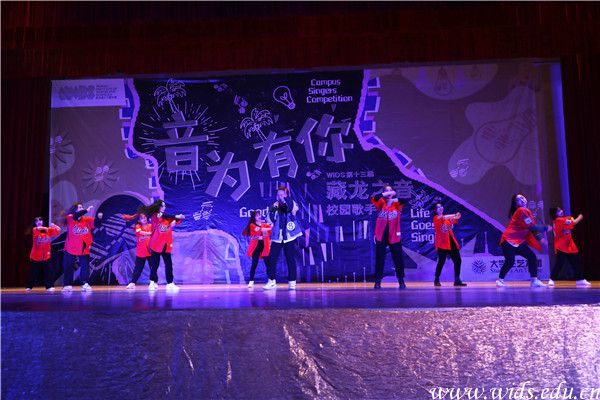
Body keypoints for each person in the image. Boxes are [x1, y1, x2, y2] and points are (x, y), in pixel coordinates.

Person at [496, 194, 548, 288]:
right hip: (509, 240)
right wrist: (546, 228)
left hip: (519, 241)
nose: (522, 199)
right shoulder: (521, 210)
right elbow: (531, 226)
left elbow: (532, 228)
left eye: (522, 197)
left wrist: (540, 239)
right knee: (510, 261)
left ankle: (534, 280)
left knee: (532, 257)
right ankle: (500, 280)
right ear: (516, 203)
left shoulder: (527, 212)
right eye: (519, 199)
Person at [138, 200, 184, 292]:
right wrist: (176, 216)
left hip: (166, 245)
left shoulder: (168, 218)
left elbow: (175, 220)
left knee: (169, 264)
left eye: (165, 206)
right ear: (158, 207)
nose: (164, 207)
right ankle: (152, 282)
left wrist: (179, 218)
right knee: (155, 265)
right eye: (162, 206)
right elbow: (165, 216)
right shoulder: (155, 216)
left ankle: (170, 283)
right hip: (156, 244)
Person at [264, 186, 302, 290]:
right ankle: (271, 280)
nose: (280, 196)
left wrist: (285, 201)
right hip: (277, 235)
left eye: (282, 194)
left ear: (286, 194)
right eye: (279, 195)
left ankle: (292, 282)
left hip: (289, 236)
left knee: (290, 259)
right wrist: (274, 210)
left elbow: (293, 209)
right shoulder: (274, 205)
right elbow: (269, 218)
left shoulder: (291, 202)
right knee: (272, 259)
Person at [371, 185, 406, 289]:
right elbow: (374, 198)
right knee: (380, 258)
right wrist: (386, 195)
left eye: (390, 190)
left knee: (398, 258)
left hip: (394, 235)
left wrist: (393, 199)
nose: (389, 192)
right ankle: (377, 282)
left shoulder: (396, 204)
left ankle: (401, 281)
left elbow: (404, 201)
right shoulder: (380, 202)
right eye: (386, 190)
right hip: (381, 234)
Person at [62, 203, 103, 292]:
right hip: (70, 247)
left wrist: (99, 218)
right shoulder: (70, 217)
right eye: (80, 207)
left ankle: (85, 283)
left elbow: (96, 224)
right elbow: (76, 216)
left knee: (85, 266)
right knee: (68, 266)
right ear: (75, 210)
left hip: (83, 248)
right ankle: (67, 285)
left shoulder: (86, 219)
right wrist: (86, 210)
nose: (82, 208)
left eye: (82, 207)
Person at [548, 207, 591, 287]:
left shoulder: (562, 220)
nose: (561, 211)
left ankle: (580, 279)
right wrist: (580, 217)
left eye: (561, 210)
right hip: (561, 246)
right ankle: (551, 279)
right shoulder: (559, 220)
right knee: (559, 264)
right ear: (555, 214)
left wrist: (570, 220)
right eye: (559, 211)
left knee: (576, 262)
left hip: (570, 246)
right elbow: (573, 222)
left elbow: (570, 221)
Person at [432, 203, 466, 287]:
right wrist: (454, 215)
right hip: (442, 243)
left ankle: (457, 280)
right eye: (438, 207)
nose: (441, 208)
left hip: (450, 242)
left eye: (441, 206)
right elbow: (444, 217)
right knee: (441, 261)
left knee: (458, 260)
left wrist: (457, 215)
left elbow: (455, 219)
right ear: (435, 210)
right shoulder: (436, 218)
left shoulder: (447, 219)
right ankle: (436, 279)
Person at [27, 217, 61, 291]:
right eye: (37, 221)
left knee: (48, 271)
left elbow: (58, 231)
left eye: (40, 220)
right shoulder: (35, 229)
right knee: (33, 272)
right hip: (36, 256)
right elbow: (39, 228)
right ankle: (29, 286)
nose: (39, 222)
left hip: (46, 255)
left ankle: (49, 286)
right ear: (35, 223)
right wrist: (47, 228)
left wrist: (54, 226)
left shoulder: (48, 231)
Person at [120, 213, 153, 290]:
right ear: (139, 220)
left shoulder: (150, 226)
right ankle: (132, 283)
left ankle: (153, 282)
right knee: (138, 268)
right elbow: (140, 232)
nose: (144, 219)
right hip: (141, 252)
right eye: (142, 218)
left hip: (150, 251)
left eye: (145, 218)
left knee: (153, 267)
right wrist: (150, 234)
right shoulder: (138, 226)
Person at [241, 210, 272, 288]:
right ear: (254, 217)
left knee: (268, 264)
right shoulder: (252, 225)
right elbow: (258, 231)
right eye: (257, 215)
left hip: (264, 246)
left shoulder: (264, 225)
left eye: (259, 215)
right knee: (254, 264)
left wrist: (269, 226)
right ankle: (251, 281)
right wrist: (269, 227)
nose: (259, 216)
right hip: (256, 246)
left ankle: (270, 281)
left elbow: (267, 233)